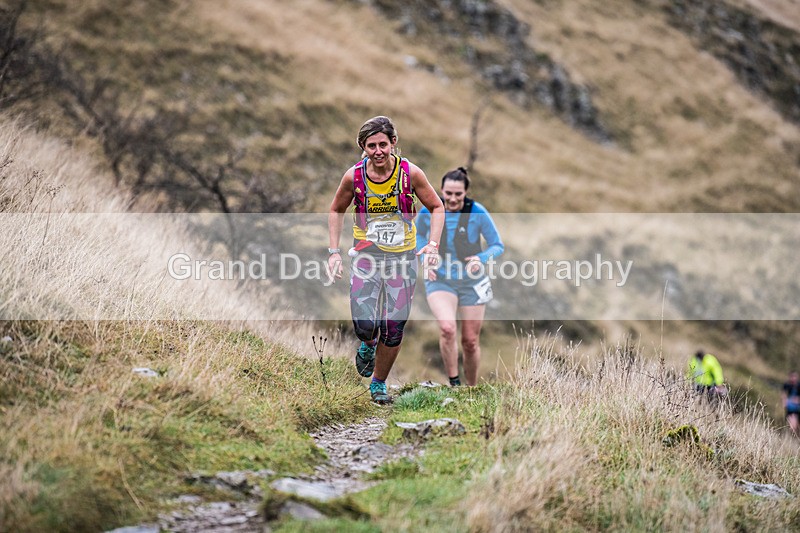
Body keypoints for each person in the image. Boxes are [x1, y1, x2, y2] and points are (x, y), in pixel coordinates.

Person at [327, 116, 444, 404]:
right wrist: (333, 252)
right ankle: (367, 344)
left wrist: (432, 245)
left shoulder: (411, 174)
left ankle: (378, 384)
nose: (378, 151)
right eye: (371, 146)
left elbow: (437, 206)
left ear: (393, 143)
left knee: (394, 328)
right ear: (362, 147)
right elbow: (335, 210)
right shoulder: (353, 177)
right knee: (366, 325)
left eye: (383, 144)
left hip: (402, 258)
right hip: (366, 256)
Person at [415, 167, 504, 387]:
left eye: (458, 194)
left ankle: (471, 389)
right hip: (440, 280)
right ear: (442, 191)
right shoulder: (429, 211)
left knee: (470, 342)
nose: (452, 199)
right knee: (447, 329)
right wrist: (425, 258)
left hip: (472, 283)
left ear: (466, 193)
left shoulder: (478, 212)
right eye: (448, 193)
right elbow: (416, 236)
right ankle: (455, 384)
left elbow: (497, 245)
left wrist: (480, 259)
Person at [782, 371, 800, 436]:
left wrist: (796, 400)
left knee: (796, 426)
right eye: (792, 377)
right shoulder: (787, 385)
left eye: (794, 377)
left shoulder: (799, 386)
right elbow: (783, 394)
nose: (793, 378)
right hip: (790, 408)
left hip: (797, 408)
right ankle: (792, 437)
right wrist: (784, 402)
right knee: (792, 425)